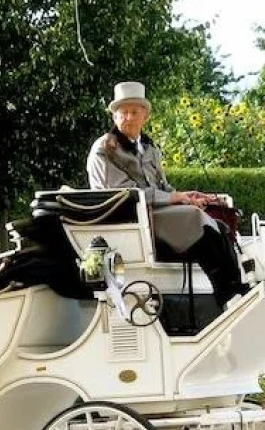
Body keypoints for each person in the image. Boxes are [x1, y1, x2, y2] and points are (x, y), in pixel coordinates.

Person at [86, 80, 247, 309]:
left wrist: (186, 195)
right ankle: (226, 294)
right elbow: (125, 195)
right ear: (114, 117)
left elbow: (163, 187)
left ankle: (234, 288)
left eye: (134, 112)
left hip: (156, 213)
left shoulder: (150, 148)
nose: (128, 118)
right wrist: (174, 199)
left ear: (145, 116)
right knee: (195, 219)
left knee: (217, 225)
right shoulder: (106, 149)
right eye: (123, 113)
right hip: (129, 217)